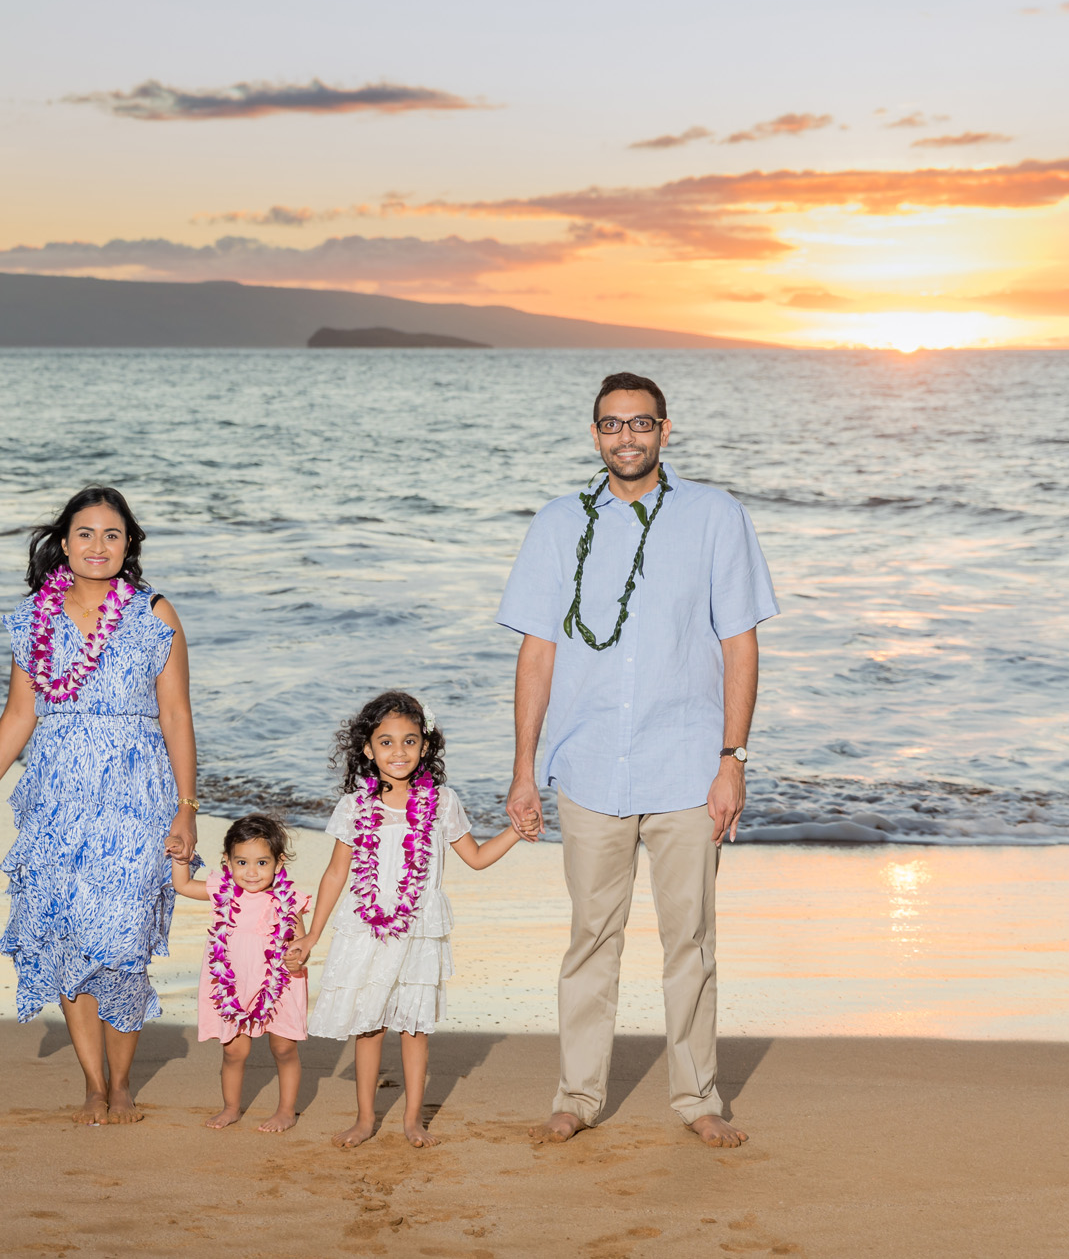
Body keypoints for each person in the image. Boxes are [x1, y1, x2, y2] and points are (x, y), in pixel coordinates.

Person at [497, 371, 778, 1150]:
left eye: (642, 423)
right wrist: (525, 767)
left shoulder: (716, 517)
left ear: (665, 429)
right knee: (591, 936)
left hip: (689, 766)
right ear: (595, 435)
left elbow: (740, 644)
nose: (627, 437)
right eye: (612, 425)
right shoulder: (557, 525)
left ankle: (697, 1096)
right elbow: (537, 652)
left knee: (690, 941)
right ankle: (579, 1093)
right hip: (588, 767)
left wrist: (733, 758)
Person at [0, 486, 200, 1126]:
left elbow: (176, 714)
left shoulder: (154, 615)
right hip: (55, 797)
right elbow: (21, 714)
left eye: (112, 535)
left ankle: (124, 1084)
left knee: (123, 937)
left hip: (138, 796)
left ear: (129, 543)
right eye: (85, 533)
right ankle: (91, 1084)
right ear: (63, 540)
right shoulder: (35, 618)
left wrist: (187, 808)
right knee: (65, 935)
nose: (98, 546)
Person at [289, 691, 522, 1148]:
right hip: (367, 927)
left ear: (426, 746)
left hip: (419, 929)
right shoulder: (355, 806)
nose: (399, 752)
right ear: (367, 749)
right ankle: (363, 1119)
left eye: (410, 741)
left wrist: (516, 831)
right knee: (369, 1024)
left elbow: (474, 857)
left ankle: (412, 1119)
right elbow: (337, 871)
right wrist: (314, 933)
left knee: (414, 1027)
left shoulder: (442, 802)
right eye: (387, 742)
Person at [172, 814, 309, 1132]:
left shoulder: (287, 900)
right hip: (232, 984)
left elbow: (300, 942)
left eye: (262, 862)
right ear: (227, 861)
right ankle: (231, 1107)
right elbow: (182, 885)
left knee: (284, 1047)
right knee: (235, 1050)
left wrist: (297, 959)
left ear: (279, 862)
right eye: (242, 862)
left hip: (280, 983)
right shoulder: (221, 890)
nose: (251, 872)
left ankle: (286, 1110)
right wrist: (182, 858)